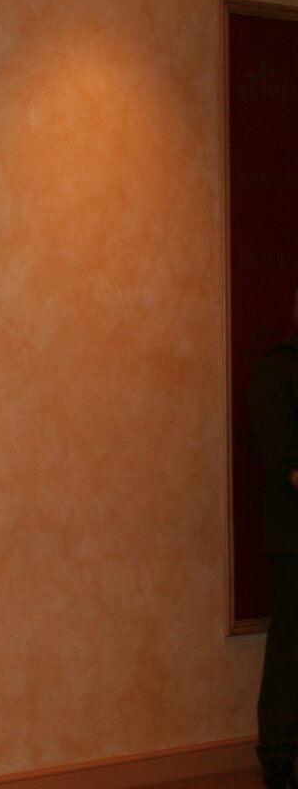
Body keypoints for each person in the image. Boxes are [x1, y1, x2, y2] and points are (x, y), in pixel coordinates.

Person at [251, 284, 298, 789]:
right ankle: (279, 756)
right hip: (295, 538)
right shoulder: (274, 370)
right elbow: (283, 460)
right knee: (291, 649)